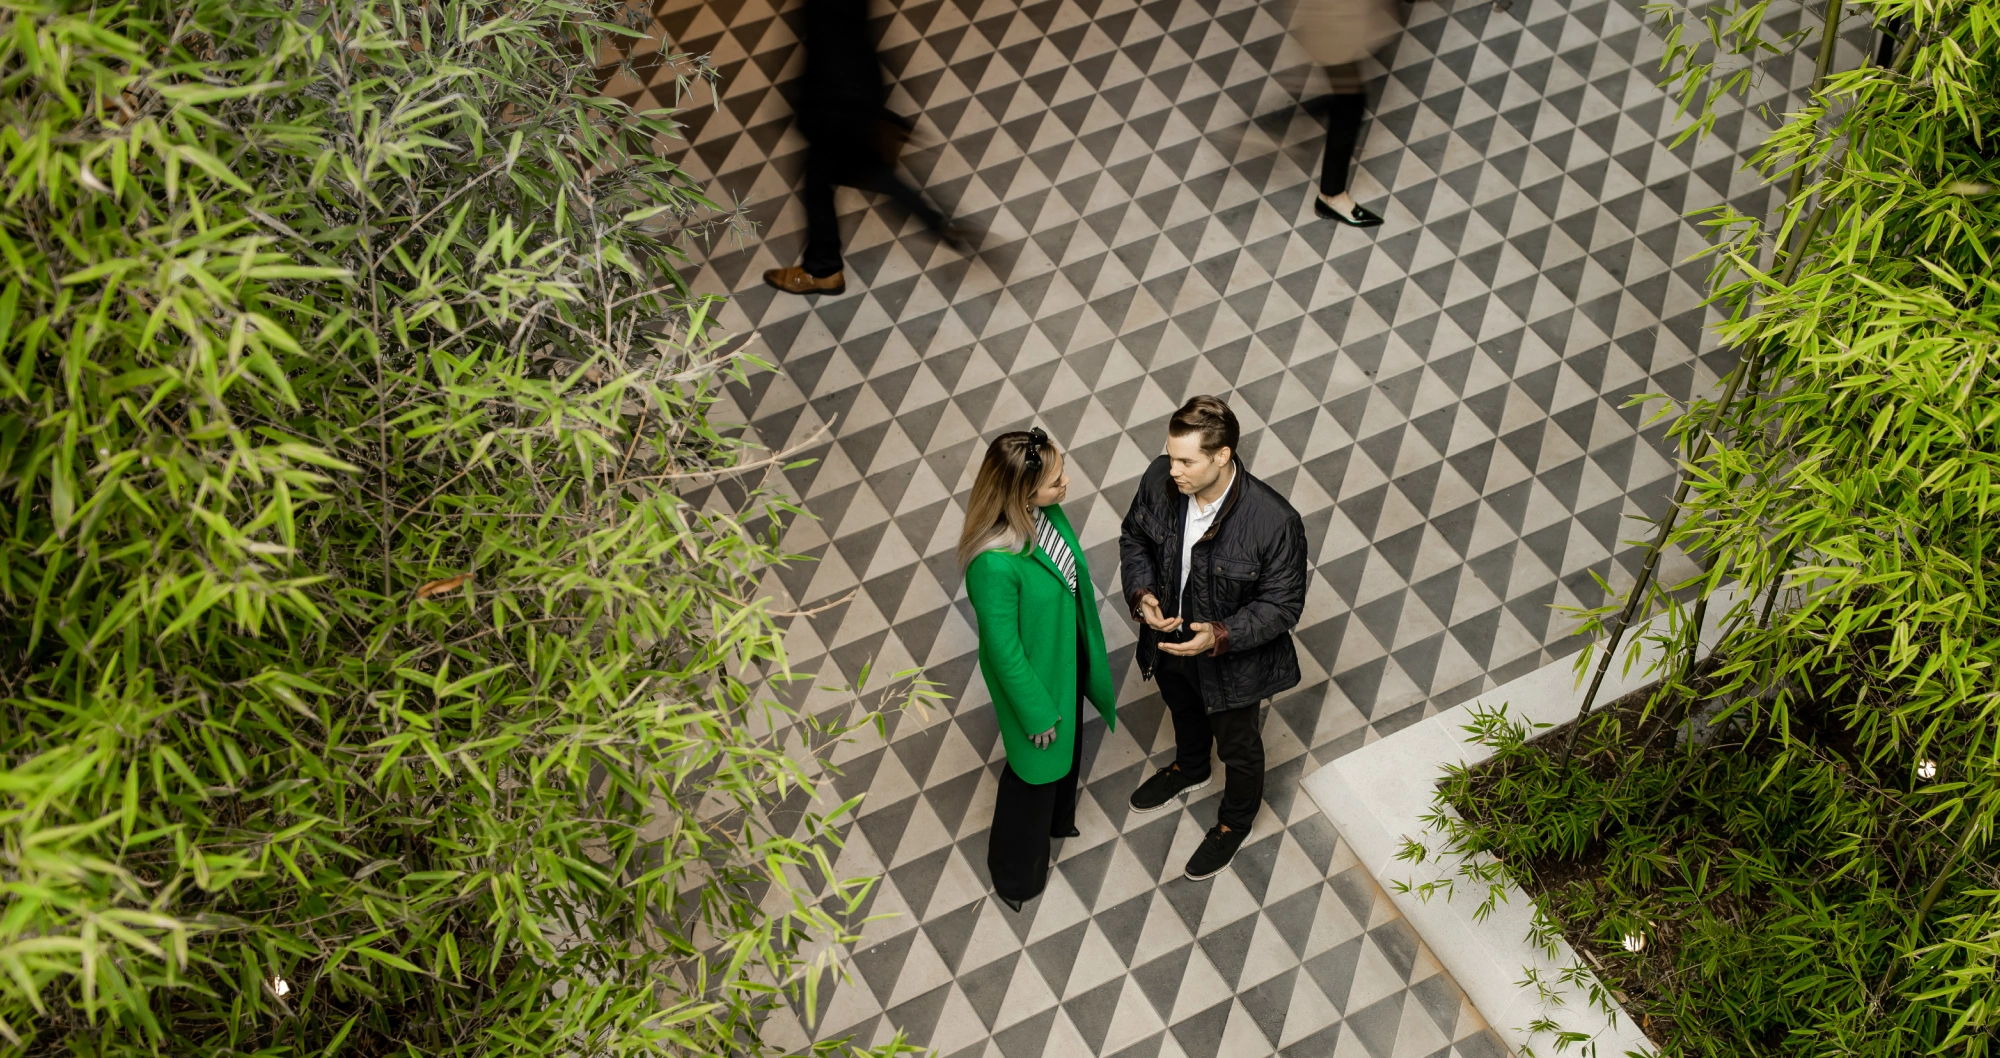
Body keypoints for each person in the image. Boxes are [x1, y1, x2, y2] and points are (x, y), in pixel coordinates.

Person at [1118, 396, 1308, 879]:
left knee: (1239, 747)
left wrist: (1220, 634)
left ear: (1222, 455)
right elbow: (1134, 537)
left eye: (1186, 461)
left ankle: (1234, 823)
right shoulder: (1159, 480)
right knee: (1181, 706)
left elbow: (1283, 605)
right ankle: (1191, 767)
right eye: (1171, 456)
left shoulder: (1274, 521)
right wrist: (1142, 594)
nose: (1173, 470)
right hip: (1169, 639)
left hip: (1230, 659)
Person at [960, 428, 1118, 911]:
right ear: (1020, 493)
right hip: (1038, 680)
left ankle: (1058, 821)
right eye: (1055, 481)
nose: (1066, 483)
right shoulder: (993, 565)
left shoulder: (1041, 513)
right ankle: (1016, 877)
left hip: (1063, 656)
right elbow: (1004, 653)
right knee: (1032, 776)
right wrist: (1036, 713)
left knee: (1065, 750)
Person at [762, 0, 962, 297]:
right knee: (851, 171)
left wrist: (808, 105)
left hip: (836, 102)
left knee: (824, 178)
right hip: (855, 91)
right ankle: (936, 222)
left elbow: (828, 43)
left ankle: (823, 271)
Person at [1288, 0, 1404, 227]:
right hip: (1331, 23)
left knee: (1347, 100)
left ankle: (1276, 127)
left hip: (1334, 22)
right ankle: (1331, 197)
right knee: (1350, 104)